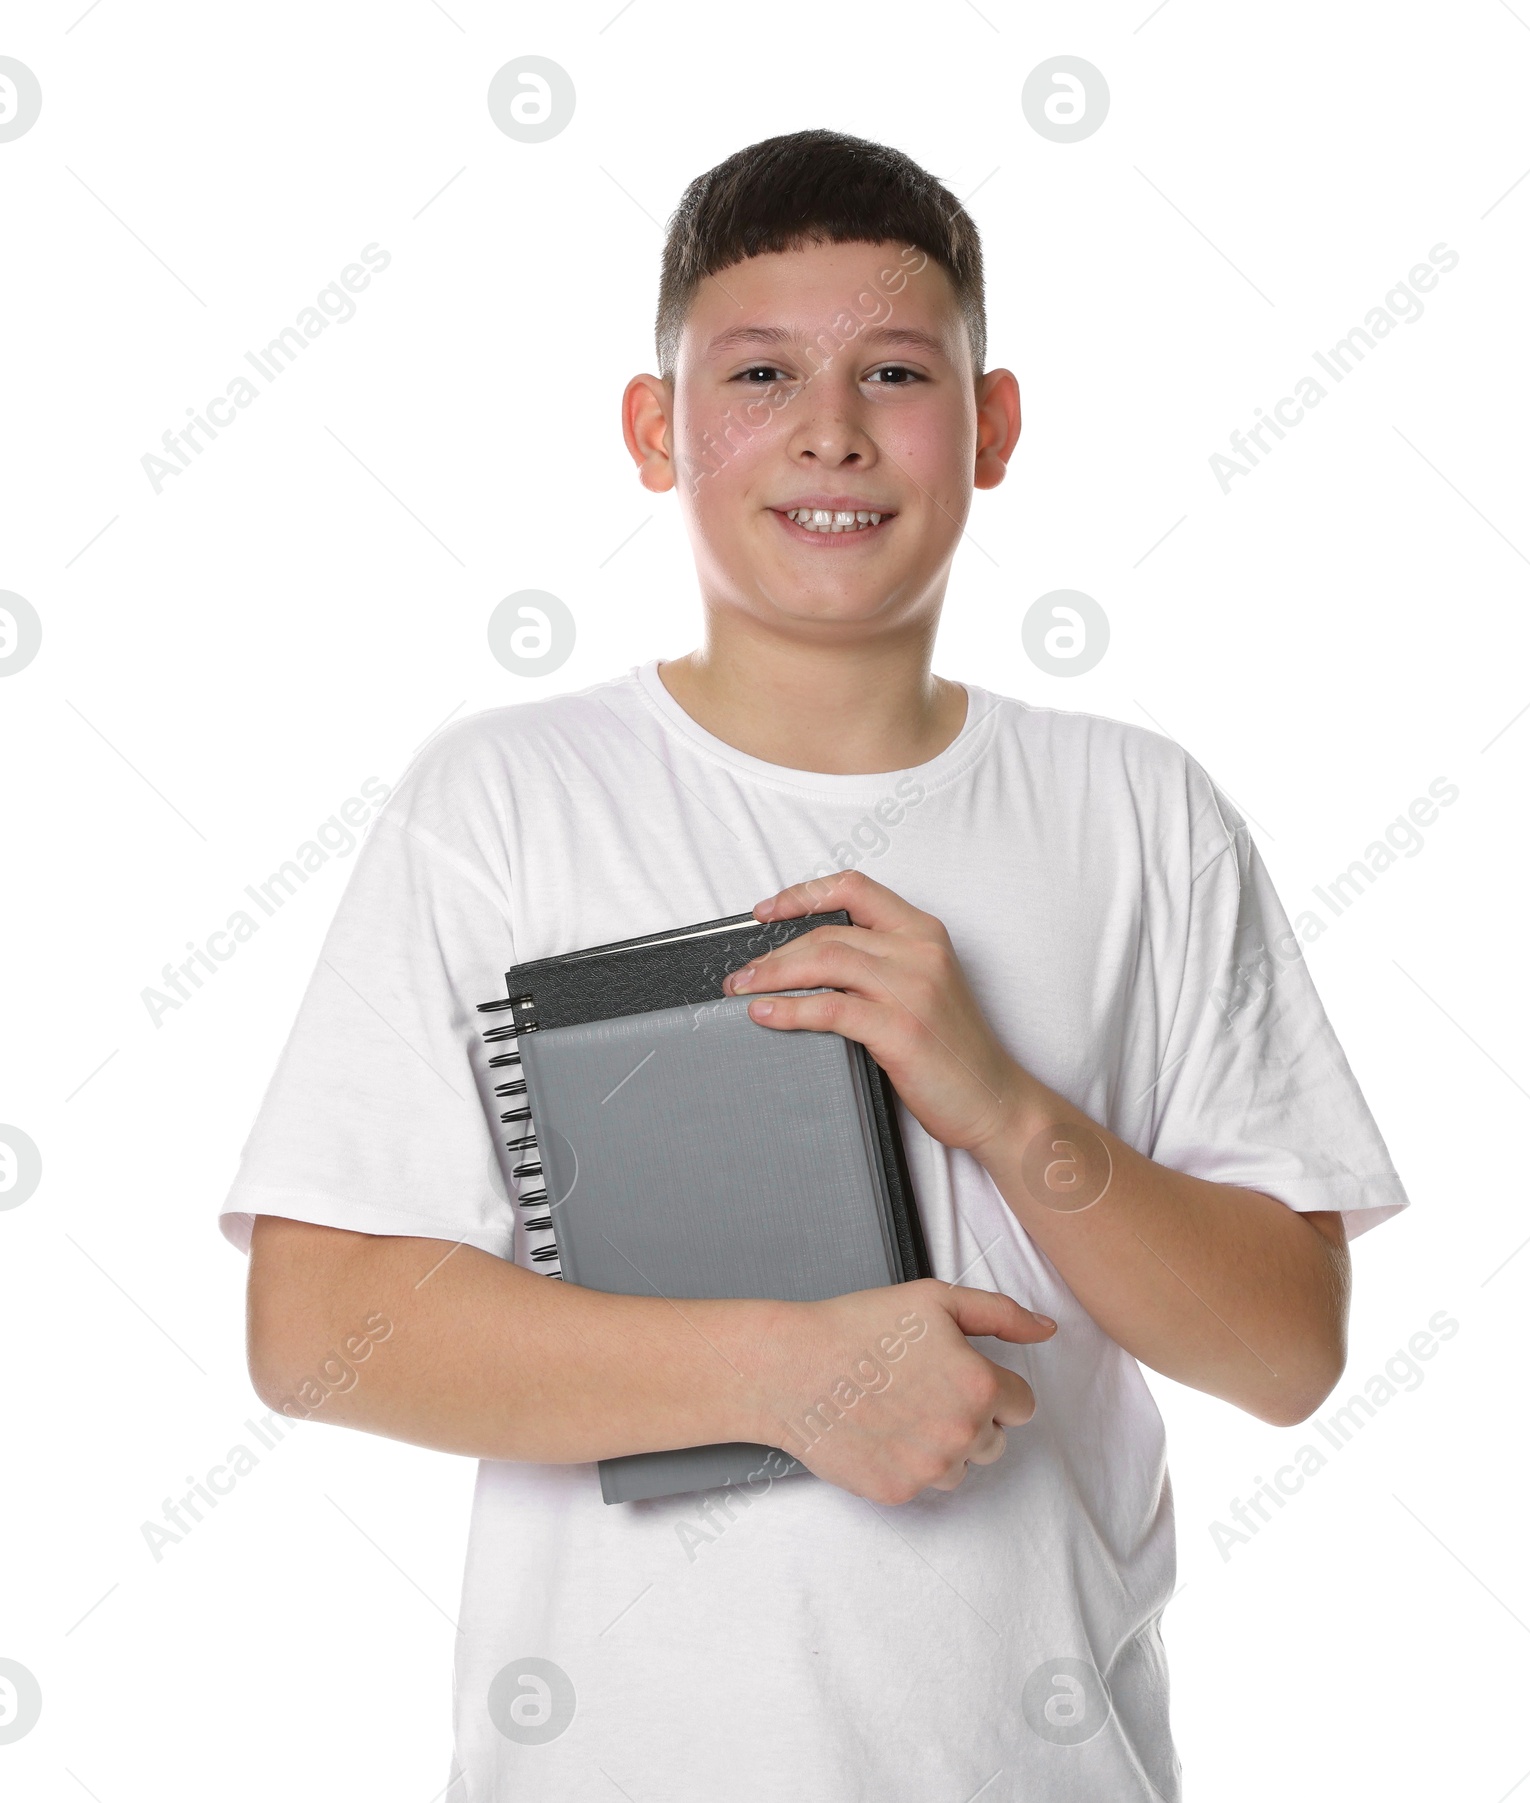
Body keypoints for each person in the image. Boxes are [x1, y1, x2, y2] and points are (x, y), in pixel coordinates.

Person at [226, 128, 1409, 1800]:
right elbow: (316, 1321)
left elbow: (1287, 1352)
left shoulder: (1140, 810)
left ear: (991, 429)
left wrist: (1002, 1105)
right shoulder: (502, 799)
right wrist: (785, 1378)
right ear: (658, 432)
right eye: (762, 371)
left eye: (897, 372)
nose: (832, 430)